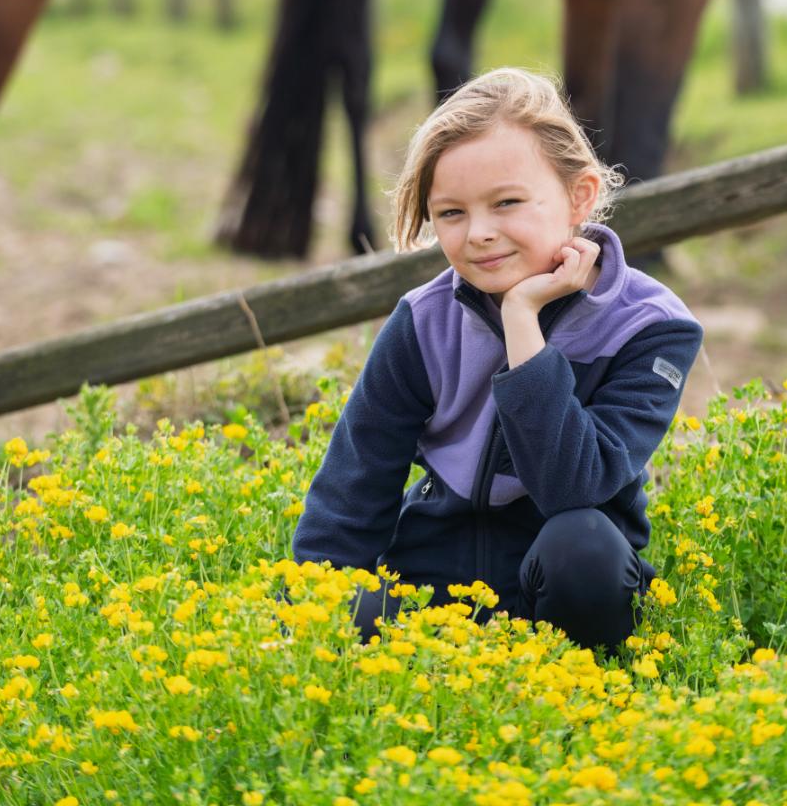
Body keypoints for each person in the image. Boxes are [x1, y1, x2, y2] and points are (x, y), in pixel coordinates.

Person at [292, 67, 702, 653]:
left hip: (562, 589)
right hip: (430, 595)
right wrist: (311, 619)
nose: (478, 233)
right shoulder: (423, 320)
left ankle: (583, 697)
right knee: (333, 604)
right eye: (451, 214)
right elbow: (353, 489)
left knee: (583, 541)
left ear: (579, 196)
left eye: (506, 202)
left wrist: (521, 323)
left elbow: (572, 487)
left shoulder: (651, 327)